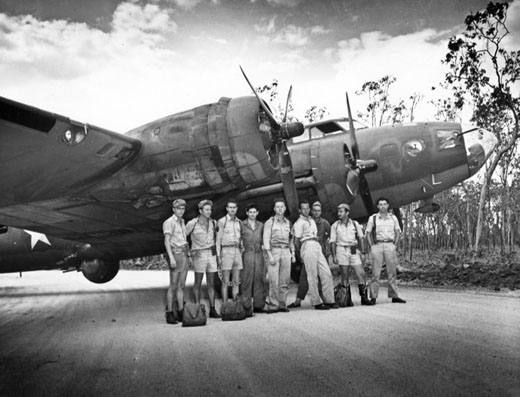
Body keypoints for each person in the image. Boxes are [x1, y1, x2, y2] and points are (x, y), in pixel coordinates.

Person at [293, 200, 338, 310]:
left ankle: (329, 300)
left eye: (307, 208)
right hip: (307, 245)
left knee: (326, 273)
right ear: (300, 210)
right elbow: (296, 241)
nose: (306, 210)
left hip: (317, 245)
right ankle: (316, 302)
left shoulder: (311, 220)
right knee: (312, 276)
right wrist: (302, 254)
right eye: (303, 208)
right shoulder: (299, 223)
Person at [366, 197, 406, 305]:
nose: (383, 206)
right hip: (378, 245)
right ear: (378, 206)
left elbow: (398, 232)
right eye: (380, 204)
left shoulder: (393, 218)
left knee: (392, 272)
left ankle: (394, 296)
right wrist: (372, 247)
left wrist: (395, 245)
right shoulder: (373, 218)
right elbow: (368, 233)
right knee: (375, 273)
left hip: (390, 245)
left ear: (388, 206)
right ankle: (373, 297)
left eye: (385, 204)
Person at [330, 203, 372, 306]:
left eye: (341, 211)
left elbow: (361, 238)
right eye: (338, 211)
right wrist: (334, 255)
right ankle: (346, 299)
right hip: (341, 249)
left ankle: (364, 298)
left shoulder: (355, 224)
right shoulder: (335, 225)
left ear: (347, 212)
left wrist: (362, 252)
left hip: (353, 248)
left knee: (360, 272)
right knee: (345, 274)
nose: (339, 213)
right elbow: (333, 242)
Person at [186, 199, 221, 318]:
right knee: (198, 283)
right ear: (200, 211)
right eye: (206, 209)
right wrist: (189, 254)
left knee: (211, 284)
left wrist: (218, 256)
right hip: (199, 254)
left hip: (211, 254)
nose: (209, 212)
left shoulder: (214, 223)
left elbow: (217, 239)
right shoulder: (192, 223)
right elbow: (182, 237)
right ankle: (197, 308)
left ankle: (212, 308)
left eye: (210, 209)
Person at [263, 198, 296, 313]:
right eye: (277, 207)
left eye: (282, 206)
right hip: (274, 251)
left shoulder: (288, 223)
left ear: (285, 208)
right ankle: (273, 304)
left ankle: (282, 304)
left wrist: (293, 254)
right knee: (274, 280)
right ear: (274, 209)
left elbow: (291, 239)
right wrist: (270, 256)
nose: (280, 209)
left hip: (286, 251)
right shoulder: (269, 222)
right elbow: (266, 240)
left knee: (285, 280)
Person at [163, 198, 190, 324]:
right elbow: (167, 241)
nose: (181, 211)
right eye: (178, 208)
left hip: (184, 253)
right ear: (173, 209)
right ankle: (169, 313)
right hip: (176, 254)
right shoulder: (169, 222)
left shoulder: (182, 221)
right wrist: (171, 258)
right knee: (173, 285)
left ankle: (180, 311)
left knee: (181, 285)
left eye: (183, 208)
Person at [240, 203, 267, 313]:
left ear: (257, 213)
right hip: (247, 254)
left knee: (259, 278)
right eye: (250, 212)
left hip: (259, 253)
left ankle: (258, 305)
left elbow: (264, 239)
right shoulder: (242, 224)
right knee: (246, 279)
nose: (252, 214)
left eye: (254, 212)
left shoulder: (261, 225)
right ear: (247, 213)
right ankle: (246, 305)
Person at [216, 199, 243, 302]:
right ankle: (225, 305)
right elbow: (218, 241)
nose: (232, 209)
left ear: (236, 209)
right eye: (230, 207)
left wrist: (241, 247)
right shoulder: (222, 221)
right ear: (227, 209)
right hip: (226, 251)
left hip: (237, 251)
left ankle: (236, 306)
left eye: (234, 207)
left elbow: (241, 238)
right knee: (225, 281)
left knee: (236, 281)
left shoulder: (239, 222)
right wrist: (218, 256)